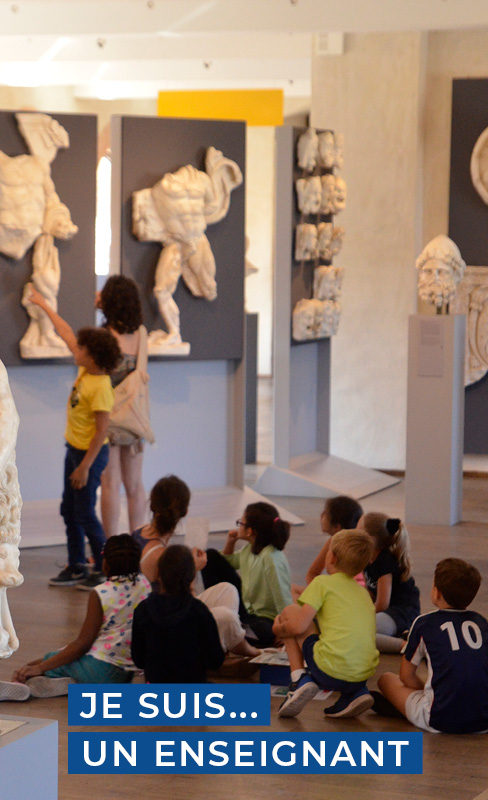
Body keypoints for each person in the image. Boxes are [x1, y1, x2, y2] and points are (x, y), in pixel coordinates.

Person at [27, 285, 121, 588]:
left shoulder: (100, 386)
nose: (74, 349)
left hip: (89, 456)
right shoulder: (86, 370)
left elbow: (102, 430)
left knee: (85, 514)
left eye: (80, 348)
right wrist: (43, 304)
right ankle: (78, 565)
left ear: (91, 356)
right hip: (74, 450)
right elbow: (66, 331)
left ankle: (107, 568)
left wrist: (84, 467)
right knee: (70, 510)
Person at [0, 535, 150, 701]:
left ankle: (29, 675)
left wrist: (40, 666)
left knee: (53, 658)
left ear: (105, 564)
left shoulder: (102, 593)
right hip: (128, 673)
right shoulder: (145, 584)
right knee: (62, 655)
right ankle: (71, 683)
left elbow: (82, 644)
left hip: (100, 670)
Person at [132, 475, 260, 658]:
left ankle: (222, 648)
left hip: (160, 615)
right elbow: (183, 606)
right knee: (227, 616)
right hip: (165, 627)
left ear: (152, 505)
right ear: (185, 512)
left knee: (227, 590)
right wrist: (192, 569)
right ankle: (235, 652)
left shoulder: (140, 531)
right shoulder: (159, 555)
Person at [375, 558, 488, 734]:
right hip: (483, 720)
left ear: (437, 593)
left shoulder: (424, 623)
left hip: (439, 718)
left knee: (386, 679)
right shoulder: (482, 623)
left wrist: (427, 692)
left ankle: (409, 710)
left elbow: (406, 677)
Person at [274, 530, 379, 719]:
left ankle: (299, 679)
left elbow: (297, 627)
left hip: (329, 671)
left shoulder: (322, 583)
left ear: (331, 557)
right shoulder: (364, 594)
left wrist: (278, 629)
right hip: (362, 675)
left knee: (289, 613)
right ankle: (354, 694)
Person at [96, 275, 149, 538]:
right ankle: (138, 544)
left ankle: (112, 547)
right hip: (135, 418)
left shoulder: (104, 337)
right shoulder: (141, 334)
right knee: (135, 485)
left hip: (108, 419)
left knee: (110, 484)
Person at [202, 502, 293, 648]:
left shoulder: (271, 558)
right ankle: (232, 628)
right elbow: (229, 563)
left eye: (240, 523)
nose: (238, 526)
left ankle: (232, 630)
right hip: (246, 609)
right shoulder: (250, 548)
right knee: (210, 557)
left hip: (266, 619)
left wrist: (286, 631)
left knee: (260, 631)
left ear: (250, 531)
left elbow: (283, 598)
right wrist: (230, 542)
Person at [131, 544, 225, 683]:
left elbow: (138, 660)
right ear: (192, 575)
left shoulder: (143, 609)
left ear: (158, 572)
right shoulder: (198, 610)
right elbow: (215, 660)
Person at [359, 513, 420, 653]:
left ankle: (410, 647)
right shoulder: (367, 557)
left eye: (359, 528)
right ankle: (400, 634)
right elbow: (371, 592)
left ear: (371, 539)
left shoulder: (385, 561)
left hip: (401, 612)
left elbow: (382, 604)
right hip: (387, 612)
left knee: (360, 633)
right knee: (355, 627)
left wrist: (362, 616)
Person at [301, 495, 363, 590]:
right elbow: (312, 573)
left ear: (337, 527)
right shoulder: (333, 541)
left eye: (325, 513)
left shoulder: (353, 548)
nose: (321, 515)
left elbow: (312, 573)